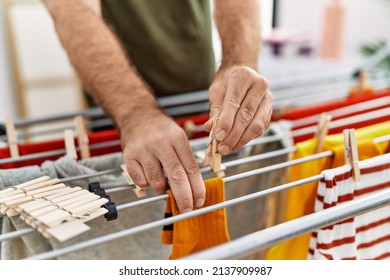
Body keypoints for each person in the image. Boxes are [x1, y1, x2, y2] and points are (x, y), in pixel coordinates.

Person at [42, 0, 273, 214]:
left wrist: (239, 62)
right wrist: (135, 114)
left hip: (203, 100)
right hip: (119, 113)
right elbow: (71, 8)